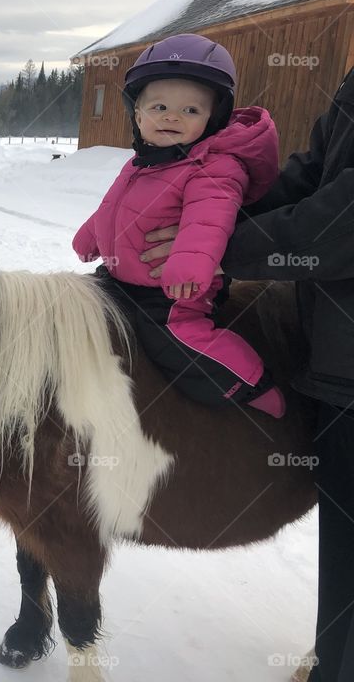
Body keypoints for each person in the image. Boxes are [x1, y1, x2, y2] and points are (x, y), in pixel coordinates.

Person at [143, 67, 354, 681]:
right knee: (343, 542)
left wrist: (211, 249)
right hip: (337, 358)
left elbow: (338, 226)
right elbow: (309, 177)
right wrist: (204, 211)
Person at [73, 33, 285, 417]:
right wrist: (91, 237)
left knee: (173, 340)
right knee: (83, 312)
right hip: (123, 277)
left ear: (212, 119)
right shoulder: (141, 162)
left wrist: (189, 268)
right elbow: (114, 206)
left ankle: (249, 382)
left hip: (174, 291)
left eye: (190, 111)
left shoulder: (214, 166)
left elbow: (209, 220)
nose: (172, 116)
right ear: (137, 115)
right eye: (159, 107)